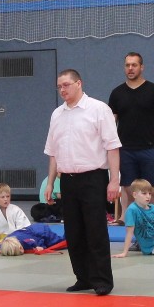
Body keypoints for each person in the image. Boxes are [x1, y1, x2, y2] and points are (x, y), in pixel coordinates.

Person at [44, 68, 121, 295]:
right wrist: (50, 183)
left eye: (66, 85)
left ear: (79, 83)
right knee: (74, 232)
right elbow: (53, 152)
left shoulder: (98, 109)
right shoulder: (57, 114)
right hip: (67, 180)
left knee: (95, 231)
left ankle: (102, 280)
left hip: (93, 178)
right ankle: (83, 277)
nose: (62, 90)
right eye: (59, 86)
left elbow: (112, 147)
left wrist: (114, 180)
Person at [108, 53, 154, 220]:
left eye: (134, 65)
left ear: (142, 67)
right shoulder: (117, 93)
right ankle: (134, 232)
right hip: (126, 151)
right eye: (127, 65)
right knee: (130, 193)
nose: (130, 68)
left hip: (149, 149)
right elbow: (110, 125)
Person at [0, 182, 31, 247]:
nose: (6, 199)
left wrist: (16, 241)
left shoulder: (16, 210)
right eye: (2, 197)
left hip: (15, 242)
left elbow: (24, 228)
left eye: (8, 196)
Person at [0, 224, 66, 255]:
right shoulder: (6, 244)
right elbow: (1, 246)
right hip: (30, 229)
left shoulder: (27, 241)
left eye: (20, 248)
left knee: (60, 242)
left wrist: (40, 247)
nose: (21, 251)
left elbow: (39, 241)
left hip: (41, 231)